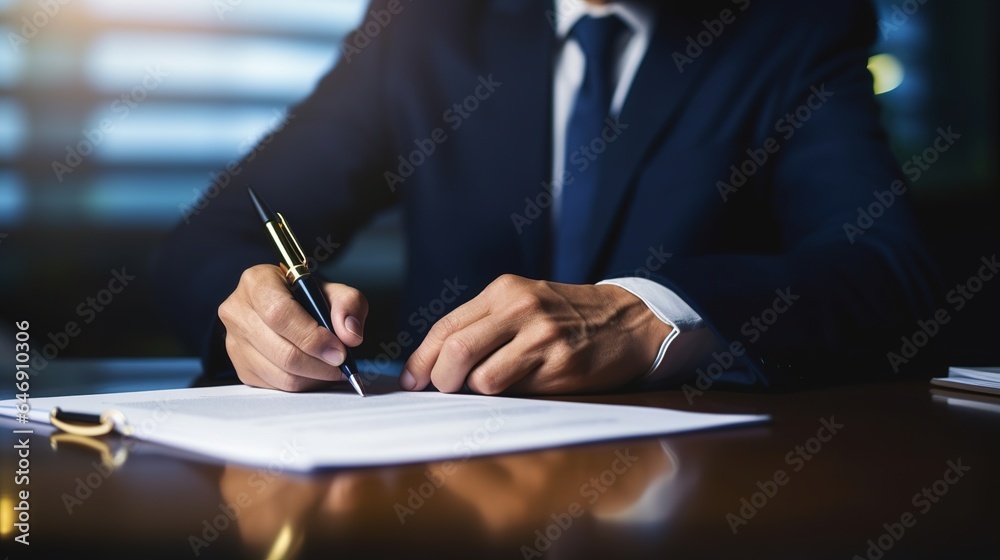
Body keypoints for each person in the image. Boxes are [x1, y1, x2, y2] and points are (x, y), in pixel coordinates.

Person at [151, 0, 942, 395]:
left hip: (696, 491)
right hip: (436, 489)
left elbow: (886, 268)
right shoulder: (428, 25)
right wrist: (254, 315)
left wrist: (657, 312)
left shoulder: (791, 26)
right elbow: (209, 239)